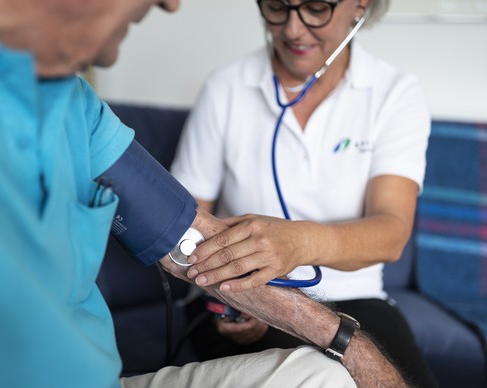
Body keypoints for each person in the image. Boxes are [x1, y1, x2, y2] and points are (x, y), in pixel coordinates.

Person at [0, 0, 408, 387]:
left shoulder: (76, 104)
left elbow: (191, 240)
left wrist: (350, 344)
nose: (171, 4)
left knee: (324, 378)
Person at [171, 0, 438, 387]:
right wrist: (232, 294)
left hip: (357, 298)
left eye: (315, 7)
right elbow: (183, 220)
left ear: (360, 5)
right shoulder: (226, 87)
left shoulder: (394, 93)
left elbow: (392, 231)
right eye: (278, 7)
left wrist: (297, 242)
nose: (293, 29)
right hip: (245, 294)